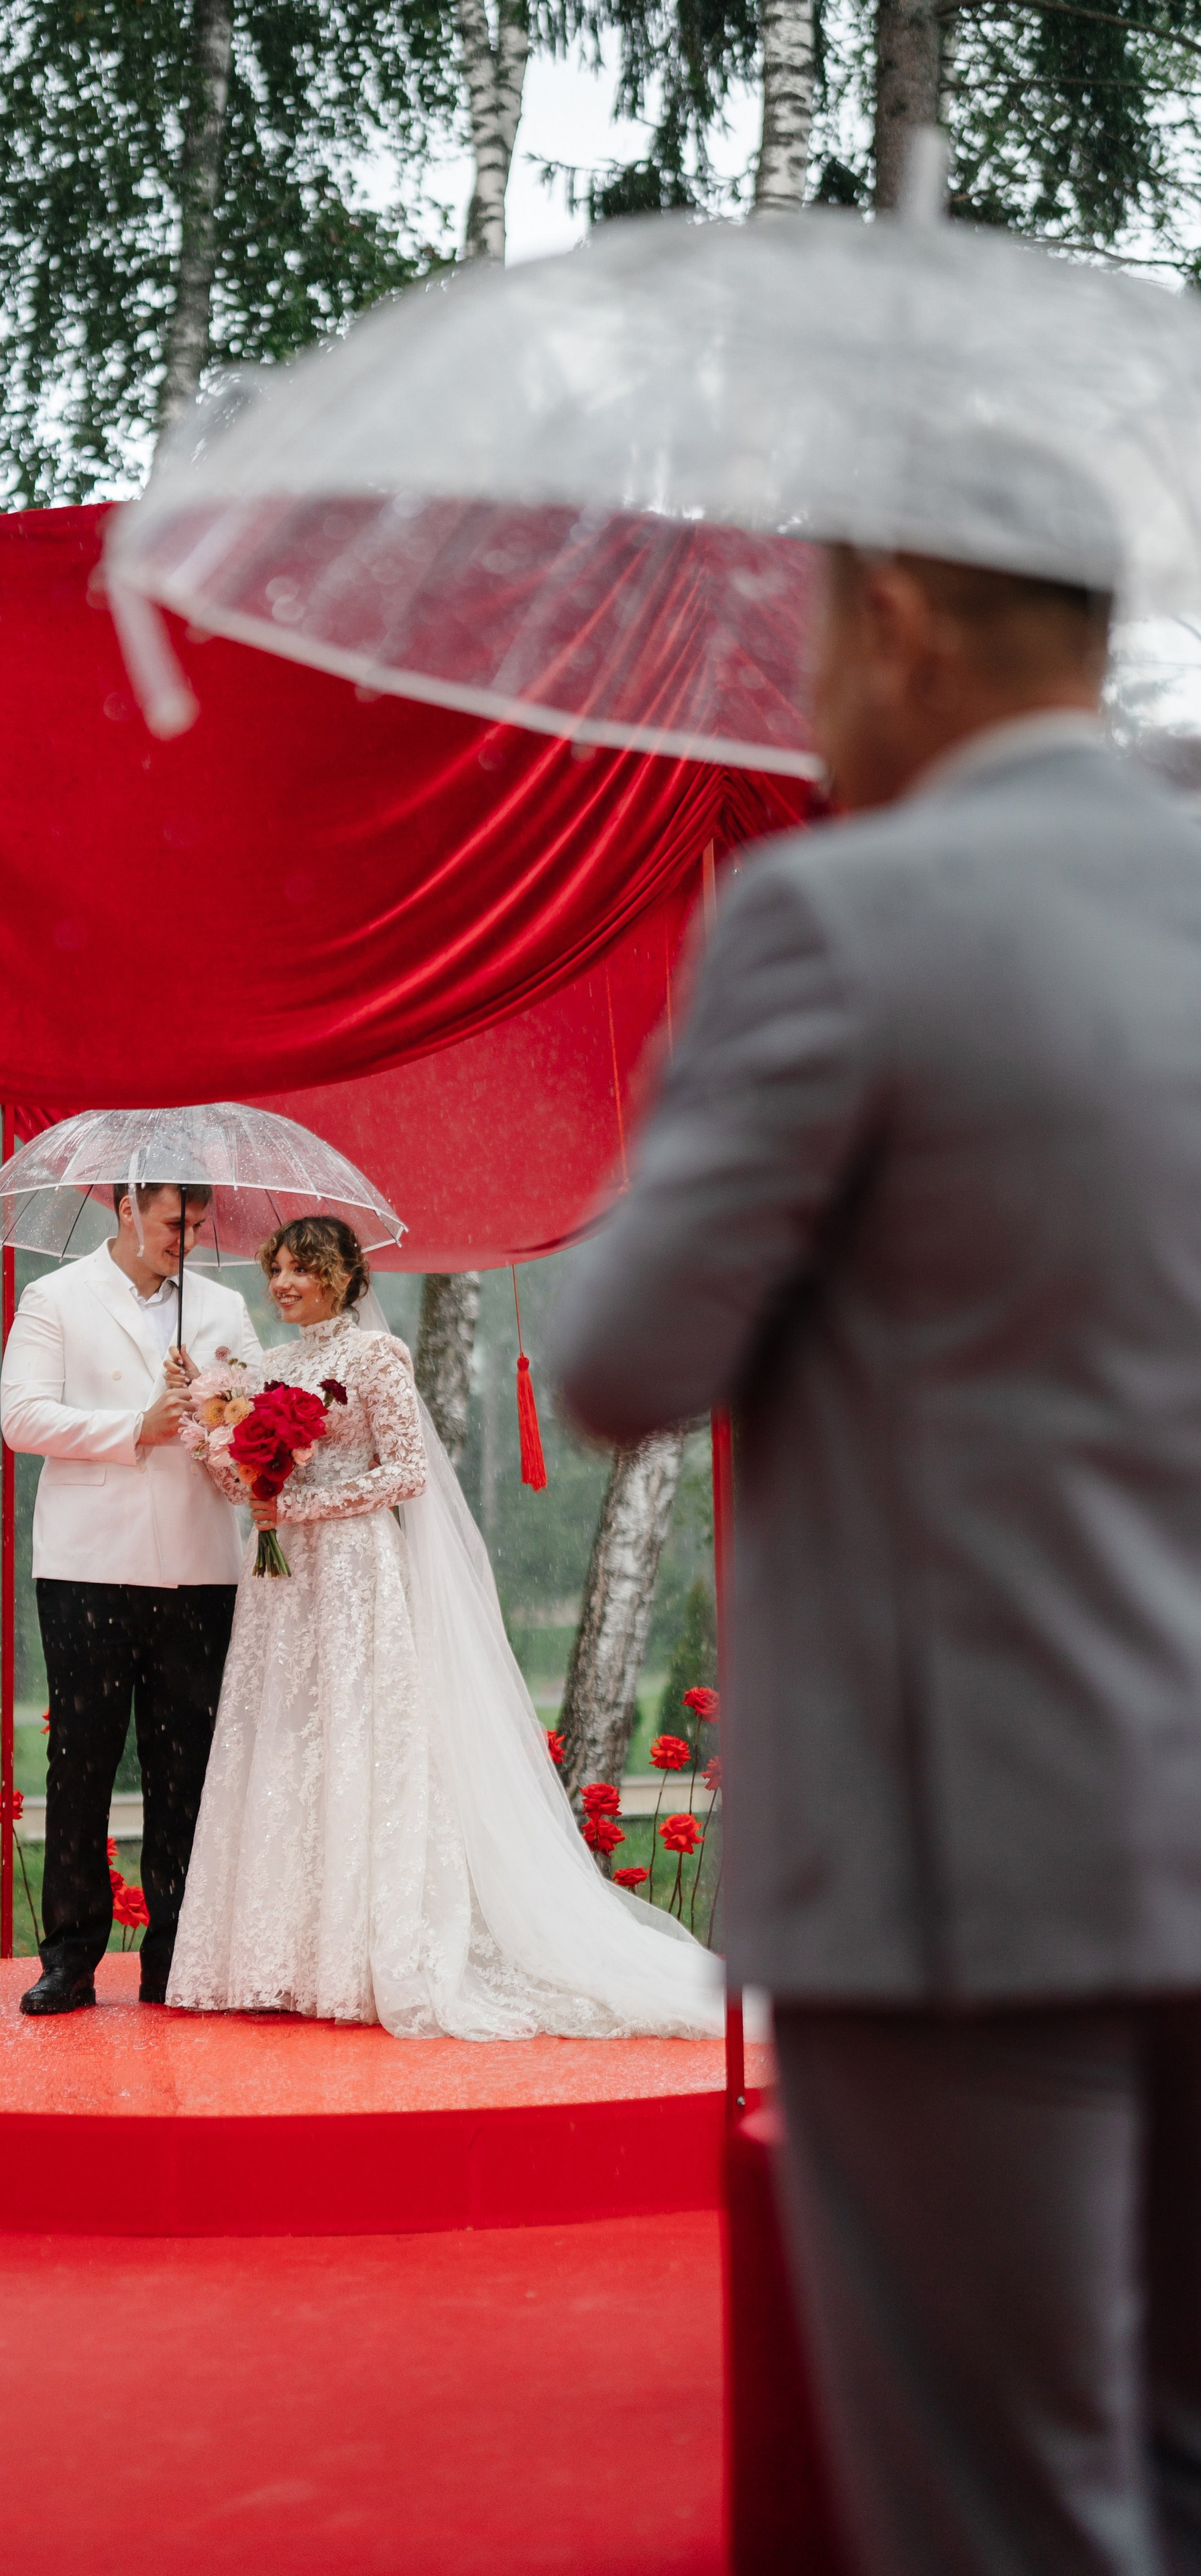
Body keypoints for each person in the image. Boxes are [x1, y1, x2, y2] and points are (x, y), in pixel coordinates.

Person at [552, 541, 1201, 2576]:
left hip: (967, 1863)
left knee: (997, 2508)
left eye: (813, 635)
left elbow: (623, 1353)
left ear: (898, 619)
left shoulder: (838, 923)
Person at [166, 1214, 723, 2039]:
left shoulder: (375, 1358)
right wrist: (204, 1432)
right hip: (281, 1583)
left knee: (361, 1739)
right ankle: (281, 1954)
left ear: (343, 1274)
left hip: (355, 1570)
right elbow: (236, 1479)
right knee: (284, 1741)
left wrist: (302, 1503)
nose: (282, 1282)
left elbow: (406, 1470)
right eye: (275, 1268)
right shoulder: (266, 1366)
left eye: (299, 1267)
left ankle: (364, 1952)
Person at [1, 1181, 262, 2014]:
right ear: (125, 1208)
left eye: (195, 1224)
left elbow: (250, 1425)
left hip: (202, 1566)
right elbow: (22, 1418)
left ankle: (175, 1958)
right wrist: (136, 1428)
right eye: (170, 1222)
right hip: (88, 1564)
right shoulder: (55, 1297)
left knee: (184, 1768)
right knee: (80, 1760)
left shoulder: (223, 1309)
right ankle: (70, 1957)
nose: (185, 1237)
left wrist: (224, 1419)